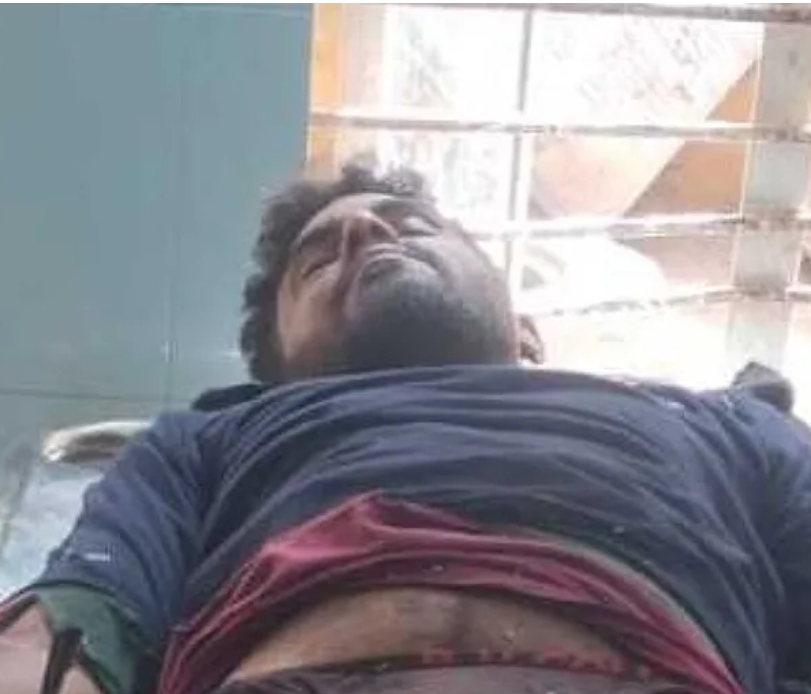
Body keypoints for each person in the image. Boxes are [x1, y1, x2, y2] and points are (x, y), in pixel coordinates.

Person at [1, 163, 810, 694]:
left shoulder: (722, 424)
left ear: (526, 333)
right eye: (317, 260)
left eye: (410, 224)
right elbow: (70, 625)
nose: (361, 233)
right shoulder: (210, 439)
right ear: (280, 379)